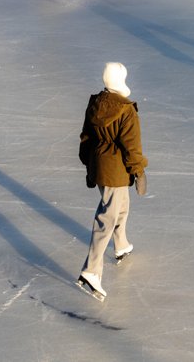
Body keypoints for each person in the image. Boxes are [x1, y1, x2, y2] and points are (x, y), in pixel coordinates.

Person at [77, 62, 148, 300]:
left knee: (121, 206)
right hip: (115, 171)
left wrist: (88, 164)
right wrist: (138, 171)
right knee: (106, 217)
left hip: (99, 165)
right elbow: (132, 146)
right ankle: (91, 270)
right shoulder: (126, 110)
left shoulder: (96, 102)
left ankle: (121, 244)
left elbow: (86, 136)